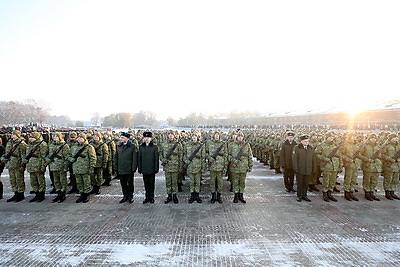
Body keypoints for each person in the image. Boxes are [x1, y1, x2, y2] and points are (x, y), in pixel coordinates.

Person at [69, 133, 96, 203]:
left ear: (84, 139)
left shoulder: (89, 147)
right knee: (79, 183)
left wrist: (91, 167)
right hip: (76, 168)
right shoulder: (73, 147)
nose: (79, 139)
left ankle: (86, 195)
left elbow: (93, 158)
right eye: (78, 138)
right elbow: (69, 155)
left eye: (81, 138)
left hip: (85, 168)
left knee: (86, 183)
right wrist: (70, 159)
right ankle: (81, 195)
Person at [316, 132, 343, 202]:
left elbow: (340, 156)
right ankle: (325, 193)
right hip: (327, 166)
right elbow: (316, 155)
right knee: (326, 180)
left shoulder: (335, 146)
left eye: (332, 137)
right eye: (330, 137)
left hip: (335, 166)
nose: (332, 138)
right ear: (327, 137)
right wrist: (325, 159)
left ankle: (330, 193)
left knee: (333, 181)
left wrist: (340, 166)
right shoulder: (321, 145)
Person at [1, 130, 27, 202]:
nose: (11, 135)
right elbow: (7, 153)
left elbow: (23, 155)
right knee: (13, 180)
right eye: (11, 134)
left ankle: (20, 194)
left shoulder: (22, 144)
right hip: (10, 164)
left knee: (19, 180)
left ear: (17, 135)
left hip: (18, 164)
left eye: (13, 134)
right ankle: (15, 194)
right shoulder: (9, 142)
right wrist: (4, 159)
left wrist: (23, 165)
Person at [22, 132, 49, 202]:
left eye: (32, 137)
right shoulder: (29, 145)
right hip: (31, 166)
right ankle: (36, 194)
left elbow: (44, 156)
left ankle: (41, 195)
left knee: (40, 181)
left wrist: (43, 166)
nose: (30, 138)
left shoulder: (42, 144)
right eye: (30, 137)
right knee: (33, 181)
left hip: (38, 165)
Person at [227, 130, 253, 203]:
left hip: (244, 167)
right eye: (239, 136)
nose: (240, 138)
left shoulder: (247, 145)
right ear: (236, 137)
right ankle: (236, 196)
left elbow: (250, 156)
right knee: (235, 182)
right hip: (235, 167)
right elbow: (227, 155)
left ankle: (241, 195)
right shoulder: (231, 145)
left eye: (241, 136)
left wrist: (250, 165)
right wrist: (234, 161)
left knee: (242, 182)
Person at [45, 132, 71, 203]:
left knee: (62, 181)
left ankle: (63, 195)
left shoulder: (64, 145)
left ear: (60, 137)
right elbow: (49, 154)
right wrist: (47, 159)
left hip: (61, 165)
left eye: (56, 136)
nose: (54, 138)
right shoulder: (51, 145)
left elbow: (67, 157)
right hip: (53, 165)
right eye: (54, 136)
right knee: (56, 181)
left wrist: (66, 166)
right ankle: (58, 194)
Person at [159, 130, 183, 204]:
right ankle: (169, 196)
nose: (170, 136)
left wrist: (180, 166)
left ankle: (175, 196)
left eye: (172, 134)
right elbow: (160, 154)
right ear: (167, 135)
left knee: (174, 182)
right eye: (169, 134)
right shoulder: (163, 144)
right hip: (167, 166)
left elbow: (180, 156)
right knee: (168, 182)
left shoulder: (178, 144)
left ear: (174, 135)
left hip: (175, 166)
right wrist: (163, 160)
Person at [115, 132, 138, 203]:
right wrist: (116, 167)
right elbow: (116, 157)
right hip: (121, 168)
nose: (121, 139)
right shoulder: (119, 146)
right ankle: (125, 196)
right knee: (123, 184)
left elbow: (134, 158)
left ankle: (130, 196)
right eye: (121, 137)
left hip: (129, 169)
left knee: (130, 184)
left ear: (127, 138)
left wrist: (133, 168)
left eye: (122, 137)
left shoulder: (132, 146)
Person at [292, 135, 316, 202]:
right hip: (300, 169)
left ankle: (304, 195)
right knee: (300, 183)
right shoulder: (297, 148)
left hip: (308, 169)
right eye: (305, 141)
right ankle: (299, 195)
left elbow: (314, 159)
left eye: (308, 141)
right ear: (301, 141)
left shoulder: (311, 148)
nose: (307, 143)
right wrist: (295, 168)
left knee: (306, 183)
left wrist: (314, 168)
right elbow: (294, 159)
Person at [359, 133, 382, 201]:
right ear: (369, 139)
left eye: (374, 138)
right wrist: (367, 160)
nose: (373, 139)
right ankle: (367, 193)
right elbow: (359, 155)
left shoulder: (378, 146)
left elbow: (380, 156)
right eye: (372, 138)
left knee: (374, 180)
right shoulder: (365, 146)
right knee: (367, 180)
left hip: (376, 166)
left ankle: (372, 192)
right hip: (368, 166)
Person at [184, 131, 206, 204]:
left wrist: (203, 167)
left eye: (195, 137)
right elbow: (184, 155)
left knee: (197, 182)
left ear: (197, 138)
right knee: (192, 182)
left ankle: (197, 196)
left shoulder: (201, 146)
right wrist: (186, 162)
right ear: (191, 137)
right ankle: (192, 196)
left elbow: (203, 157)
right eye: (193, 137)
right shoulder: (187, 145)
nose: (194, 138)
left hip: (198, 168)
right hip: (190, 167)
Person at [138, 131, 159, 204]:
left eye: (148, 137)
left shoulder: (154, 147)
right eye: (145, 137)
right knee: (146, 184)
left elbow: (156, 159)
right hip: (144, 169)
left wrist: (156, 168)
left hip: (151, 169)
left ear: (151, 138)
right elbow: (139, 159)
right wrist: (139, 168)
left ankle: (151, 197)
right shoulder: (141, 147)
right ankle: (147, 197)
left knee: (151, 184)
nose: (147, 139)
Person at [206, 130, 227, 203]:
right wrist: (209, 158)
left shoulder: (223, 144)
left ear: (219, 136)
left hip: (220, 166)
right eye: (215, 135)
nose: (216, 136)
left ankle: (219, 196)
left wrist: (225, 165)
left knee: (220, 182)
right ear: (213, 136)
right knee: (212, 182)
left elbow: (225, 155)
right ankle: (213, 196)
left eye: (218, 135)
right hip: (213, 166)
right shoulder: (209, 143)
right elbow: (205, 153)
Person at [381, 133, 400, 200]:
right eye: (394, 137)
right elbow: (381, 155)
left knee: (395, 180)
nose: (396, 138)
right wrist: (390, 159)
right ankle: (387, 193)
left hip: (397, 165)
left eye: (396, 137)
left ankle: (392, 192)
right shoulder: (386, 145)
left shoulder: (398, 145)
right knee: (388, 179)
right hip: (389, 165)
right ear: (391, 138)